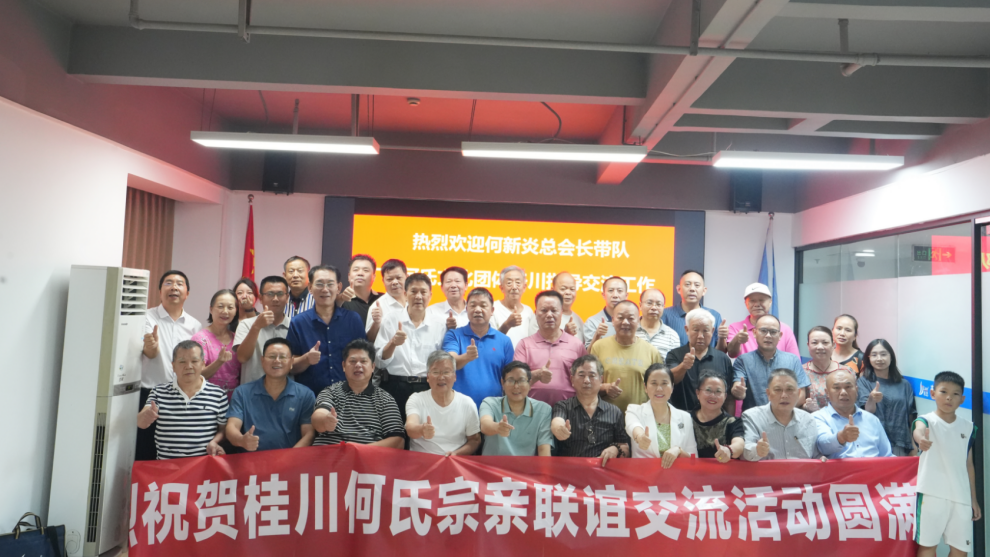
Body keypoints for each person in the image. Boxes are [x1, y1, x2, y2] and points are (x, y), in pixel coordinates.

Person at [914, 371, 980, 557]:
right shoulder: (926, 420)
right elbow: (919, 431)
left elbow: (969, 465)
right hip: (931, 494)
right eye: (943, 392)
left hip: (961, 496)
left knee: (961, 550)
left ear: (962, 399)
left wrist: (973, 499)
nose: (949, 397)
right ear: (933, 393)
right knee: (928, 547)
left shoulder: (968, 427)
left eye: (955, 394)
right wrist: (921, 440)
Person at [138, 270, 202, 461]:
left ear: (187, 293)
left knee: (176, 452)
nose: (174, 287)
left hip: (182, 396)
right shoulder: (146, 317)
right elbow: (149, 352)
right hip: (150, 394)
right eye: (168, 283)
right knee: (147, 452)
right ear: (160, 291)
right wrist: (151, 346)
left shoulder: (195, 326)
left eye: (179, 284)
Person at [138, 340, 227, 459]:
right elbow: (141, 423)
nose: (188, 366)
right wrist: (146, 417)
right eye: (182, 361)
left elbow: (223, 430)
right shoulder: (158, 391)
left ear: (203, 364)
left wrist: (215, 442)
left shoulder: (218, 394)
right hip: (167, 465)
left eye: (194, 361)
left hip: (203, 464)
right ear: (173, 366)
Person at [375, 273, 446, 422]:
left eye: (423, 292)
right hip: (394, 386)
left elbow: (443, 363)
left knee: (423, 432)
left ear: (430, 295)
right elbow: (380, 362)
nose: (418, 296)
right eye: (413, 291)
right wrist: (393, 343)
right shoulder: (391, 319)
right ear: (405, 294)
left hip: (426, 388)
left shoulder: (439, 325)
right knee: (393, 431)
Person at [310, 339, 405, 448]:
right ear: (343, 366)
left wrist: (359, 450)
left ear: (373, 367)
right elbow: (317, 418)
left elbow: (398, 441)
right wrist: (325, 421)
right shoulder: (330, 392)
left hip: (368, 456)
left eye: (363, 361)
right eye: (352, 361)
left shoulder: (385, 399)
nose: (358, 365)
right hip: (330, 453)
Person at [287, 265, 365, 394]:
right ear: (310, 288)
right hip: (310, 397)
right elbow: (289, 366)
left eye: (330, 284)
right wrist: (306, 359)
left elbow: (365, 358)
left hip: (349, 397)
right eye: (319, 284)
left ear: (338, 287)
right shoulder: (298, 322)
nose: (325, 289)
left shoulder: (353, 319)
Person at [226, 338, 316, 451]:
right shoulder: (242, 392)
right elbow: (232, 427)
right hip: (252, 460)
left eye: (283, 357)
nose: (277, 361)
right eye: (272, 356)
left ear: (291, 362)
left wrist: (290, 457)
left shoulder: (305, 394)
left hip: (292, 459)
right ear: (262, 361)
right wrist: (241, 440)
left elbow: (309, 434)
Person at [550, 355, 630, 465]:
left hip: (603, 472)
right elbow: (557, 421)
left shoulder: (614, 412)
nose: (586, 380)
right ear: (572, 379)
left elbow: (625, 447)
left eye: (592, 375)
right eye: (581, 375)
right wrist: (559, 428)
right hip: (569, 472)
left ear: (601, 379)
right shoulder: (562, 406)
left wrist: (616, 449)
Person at [443, 288, 515, 407]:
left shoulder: (504, 341)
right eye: (473, 305)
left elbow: (510, 378)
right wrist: (467, 357)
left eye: (483, 305)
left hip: (493, 408)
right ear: (467, 309)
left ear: (492, 310)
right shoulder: (454, 335)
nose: (477, 309)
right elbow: (449, 363)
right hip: (458, 407)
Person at [513, 290, 587, 406]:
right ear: (535, 313)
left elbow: (586, 380)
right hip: (532, 411)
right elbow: (515, 379)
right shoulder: (524, 345)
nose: (549, 315)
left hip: (569, 411)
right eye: (544, 310)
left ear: (561, 313)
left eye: (554, 310)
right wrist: (537, 375)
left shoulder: (576, 345)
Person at [590, 300, 662, 412]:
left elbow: (659, 387)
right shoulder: (598, 347)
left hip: (640, 416)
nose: (625, 322)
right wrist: (605, 387)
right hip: (604, 416)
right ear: (613, 320)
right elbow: (588, 382)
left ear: (638, 321)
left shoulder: (651, 352)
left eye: (631, 318)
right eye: (620, 317)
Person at [405, 351, 481, 455]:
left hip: (453, 461)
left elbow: (475, 440)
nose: (441, 377)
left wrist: (456, 454)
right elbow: (410, 428)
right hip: (422, 460)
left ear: (454, 376)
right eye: (435, 372)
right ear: (428, 377)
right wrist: (422, 429)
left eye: (446, 372)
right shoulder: (416, 399)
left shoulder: (467, 403)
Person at [731, 315, 808, 412]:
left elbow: (801, 394)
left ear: (780, 335)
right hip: (754, 419)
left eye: (773, 332)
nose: (768, 335)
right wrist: (738, 391)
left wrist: (781, 412)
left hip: (785, 417)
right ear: (754, 333)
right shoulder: (743, 360)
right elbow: (737, 386)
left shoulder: (792, 360)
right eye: (763, 331)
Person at [742, 368, 822, 461]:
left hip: (801, 470)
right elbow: (746, 451)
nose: (784, 395)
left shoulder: (808, 420)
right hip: (767, 470)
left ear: (798, 393)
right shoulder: (752, 417)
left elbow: (815, 455)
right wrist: (757, 451)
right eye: (778, 390)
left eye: (789, 389)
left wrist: (822, 459)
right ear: (768, 394)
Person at [625, 364, 698, 467]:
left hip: (676, 476)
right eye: (654, 383)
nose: (659, 388)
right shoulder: (634, 410)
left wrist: (679, 451)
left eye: (664, 383)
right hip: (643, 474)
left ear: (672, 387)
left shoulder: (685, 417)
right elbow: (633, 426)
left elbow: (694, 460)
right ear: (645, 387)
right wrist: (640, 437)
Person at [812, 369, 893, 459]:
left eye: (848, 387)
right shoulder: (817, 417)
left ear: (856, 390)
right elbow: (822, 446)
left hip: (873, 467)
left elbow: (887, 456)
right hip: (840, 468)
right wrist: (841, 437)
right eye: (837, 388)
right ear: (827, 393)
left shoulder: (872, 419)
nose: (843, 392)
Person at [665, 308, 733, 412]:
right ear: (687, 329)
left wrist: (730, 419)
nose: (700, 336)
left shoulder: (723, 359)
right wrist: (683, 366)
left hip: (713, 418)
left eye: (705, 330)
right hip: (681, 417)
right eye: (696, 330)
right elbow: (669, 380)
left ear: (712, 331)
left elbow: (729, 397)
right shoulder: (674, 354)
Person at [479, 361, 553, 456]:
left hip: (526, 466)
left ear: (530, 383)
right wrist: (498, 428)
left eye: (522, 380)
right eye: (510, 380)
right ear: (502, 383)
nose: (516, 386)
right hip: (492, 465)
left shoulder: (544, 410)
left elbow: (544, 450)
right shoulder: (490, 403)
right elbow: (485, 425)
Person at [857, 339, 916, 456]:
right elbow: (867, 412)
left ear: (891, 357)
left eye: (883, 354)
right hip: (873, 442)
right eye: (874, 355)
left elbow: (911, 417)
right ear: (868, 358)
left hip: (899, 443)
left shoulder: (904, 384)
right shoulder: (863, 382)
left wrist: (913, 444)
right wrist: (872, 399)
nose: (879, 359)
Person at [234, 276, 292, 384]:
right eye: (270, 294)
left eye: (280, 294)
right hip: (251, 390)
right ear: (260, 298)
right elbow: (242, 357)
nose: (275, 299)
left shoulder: (294, 325)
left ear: (287, 297)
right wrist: (256, 327)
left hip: (286, 391)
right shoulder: (246, 324)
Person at [725, 283, 800, 358]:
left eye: (761, 300)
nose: (757, 304)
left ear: (770, 302)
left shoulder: (785, 329)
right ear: (746, 304)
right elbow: (732, 354)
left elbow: (794, 360)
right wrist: (737, 340)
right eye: (752, 301)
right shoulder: (735, 327)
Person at [191, 289, 241, 399]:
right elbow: (197, 375)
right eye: (220, 306)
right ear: (211, 309)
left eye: (230, 307)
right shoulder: (200, 339)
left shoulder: (237, 339)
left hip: (234, 401)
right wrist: (219, 361)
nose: (225, 311)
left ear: (236, 311)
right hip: (207, 401)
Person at [661, 270, 724, 350]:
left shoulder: (714, 315)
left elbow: (720, 351)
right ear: (679, 289)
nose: (692, 289)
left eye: (697, 285)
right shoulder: (665, 314)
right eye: (687, 284)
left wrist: (722, 337)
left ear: (704, 291)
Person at [691, 372, 744, 462]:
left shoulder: (733, 422)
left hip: (723, 470)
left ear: (725, 396)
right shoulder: (685, 418)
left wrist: (729, 450)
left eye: (718, 391)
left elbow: (739, 444)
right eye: (708, 390)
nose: (713, 396)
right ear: (698, 393)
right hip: (689, 470)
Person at [802, 326, 855, 412]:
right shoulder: (801, 371)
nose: (820, 347)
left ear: (833, 345)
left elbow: (854, 401)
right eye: (814, 343)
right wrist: (805, 406)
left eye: (825, 342)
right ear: (808, 345)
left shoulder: (847, 372)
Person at [490, 266, 539, 348]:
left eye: (518, 282)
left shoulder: (529, 311)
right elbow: (490, 342)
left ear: (524, 287)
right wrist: (507, 325)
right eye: (509, 283)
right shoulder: (492, 308)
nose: (514, 287)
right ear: (501, 288)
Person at [366, 259, 407, 343]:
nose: (395, 282)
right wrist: (376, 323)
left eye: (399, 278)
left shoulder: (414, 302)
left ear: (407, 277)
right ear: (383, 281)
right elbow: (369, 339)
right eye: (389, 279)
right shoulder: (377, 306)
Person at [582, 276, 628, 349]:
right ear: (603, 295)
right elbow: (588, 353)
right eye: (610, 290)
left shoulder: (633, 322)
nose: (615, 295)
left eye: (619, 291)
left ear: (626, 295)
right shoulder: (592, 322)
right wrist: (597, 335)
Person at [636, 289, 680, 360]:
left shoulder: (672, 336)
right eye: (649, 303)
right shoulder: (629, 330)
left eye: (658, 304)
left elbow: (674, 364)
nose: (654, 307)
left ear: (663, 307)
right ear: (640, 305)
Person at [339, 254, 383, 325]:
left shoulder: (383, 299)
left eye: (366, 270)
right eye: (356, 270)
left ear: (374, 277)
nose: (360, 273)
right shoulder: (341, 302)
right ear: (349, 276)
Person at [552, 272, 584, 343]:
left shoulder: (578, 320)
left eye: (572, 289)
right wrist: (565, 334)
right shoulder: (543, 317)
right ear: (553, 290)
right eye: (563, 289)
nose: (568, 293)